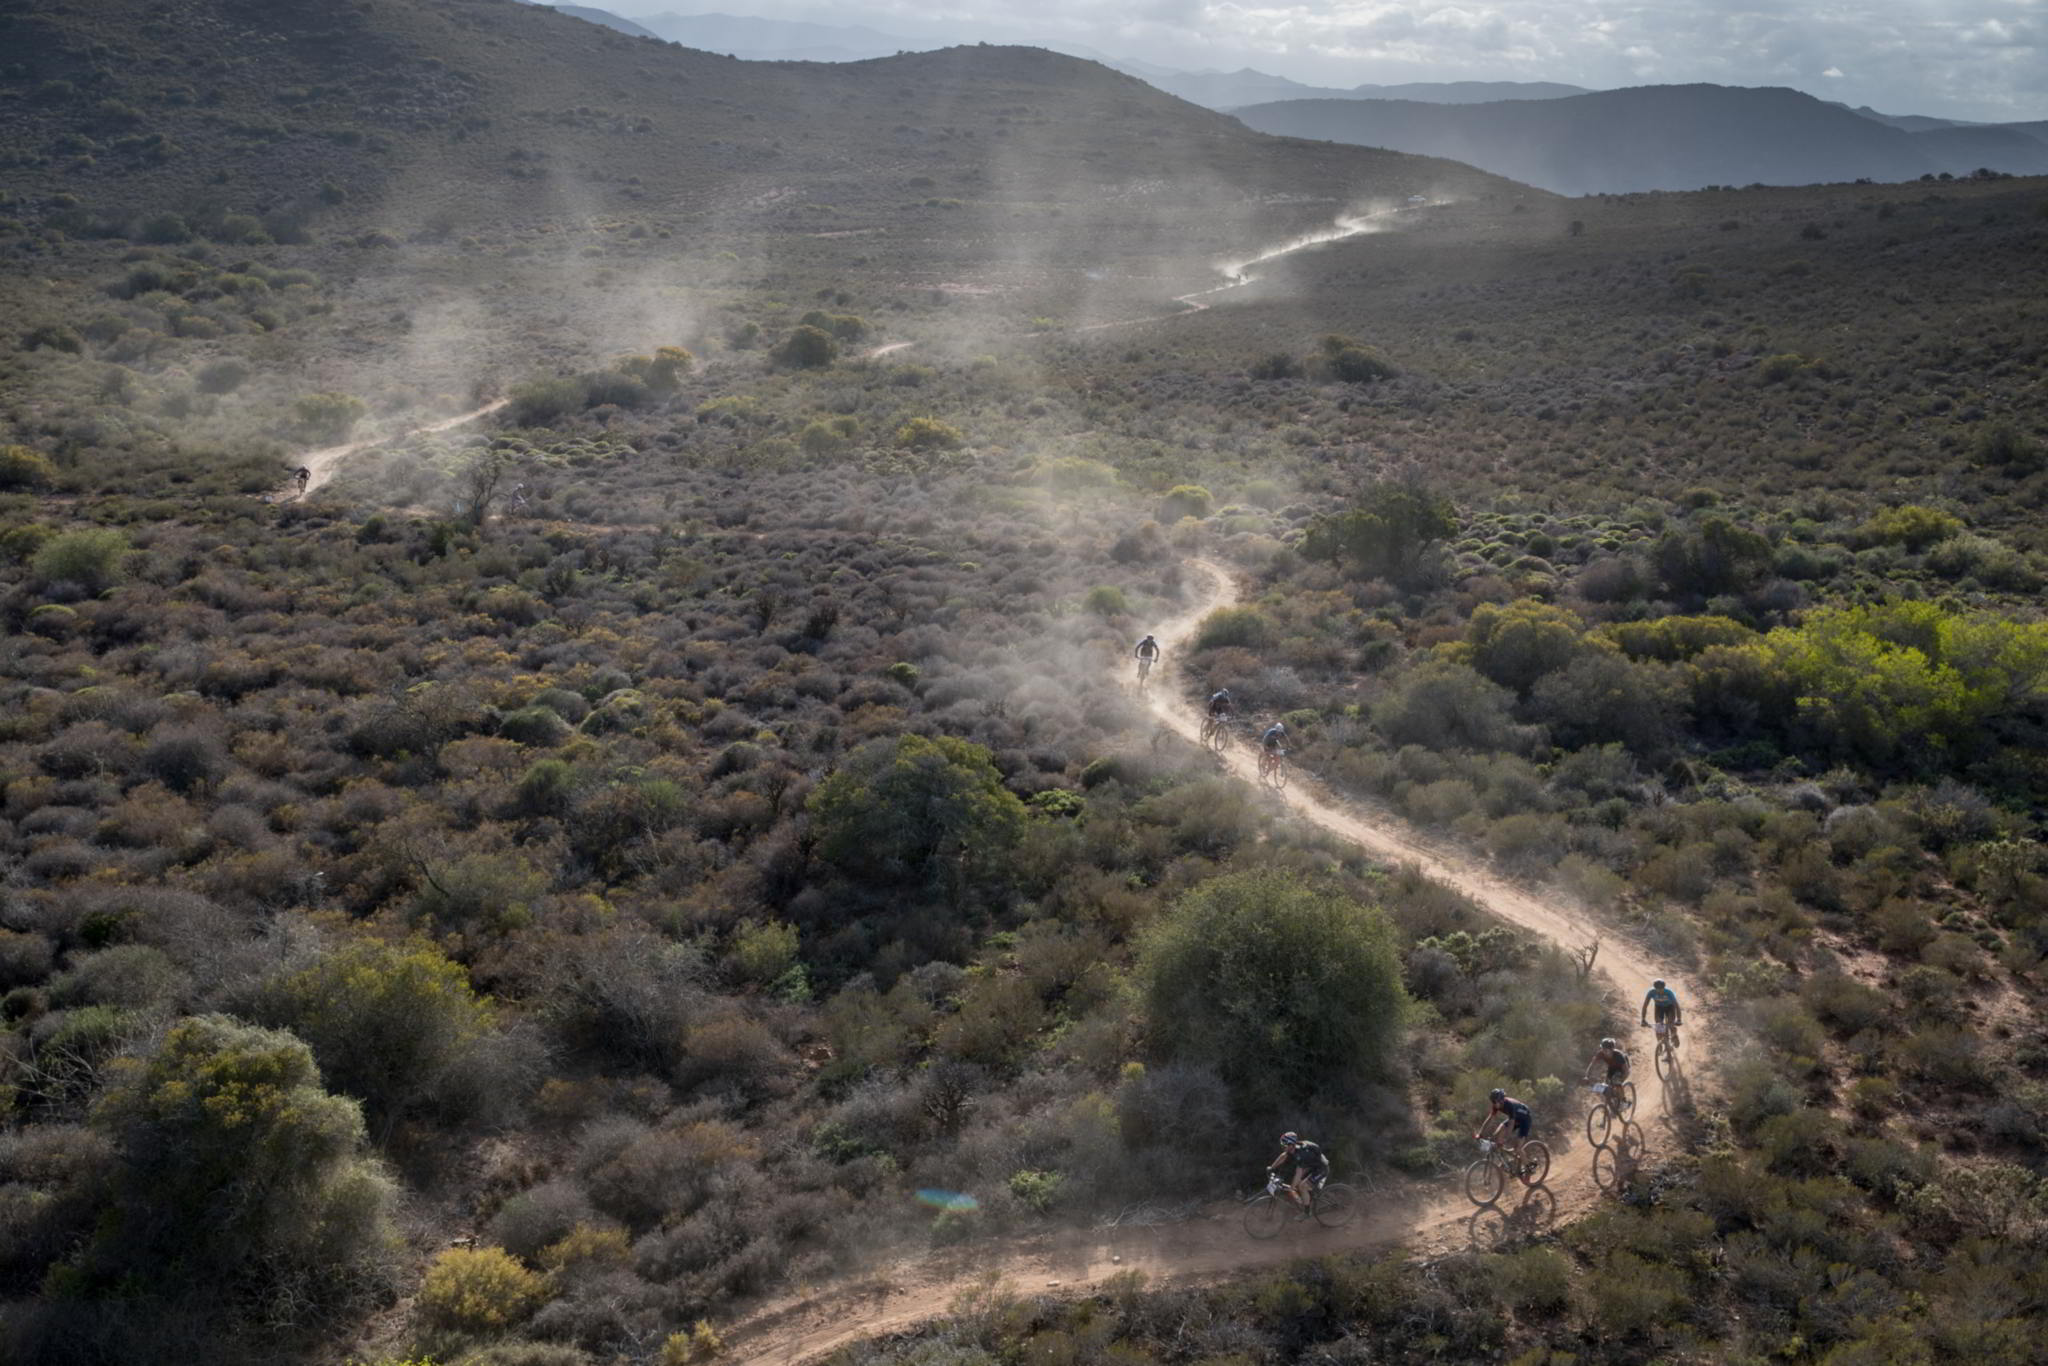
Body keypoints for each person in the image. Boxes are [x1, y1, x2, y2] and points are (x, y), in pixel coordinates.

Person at [1266, 1131, 1329, 1209]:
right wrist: (1272, 1167)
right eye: (1283, 1144)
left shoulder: (1301, 1154)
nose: (1283, 1146)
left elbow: (1298, 1173)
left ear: (1291, 1144)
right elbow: (1283, 1156)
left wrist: (1291, 1188)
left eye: (1285, 1144)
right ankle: (1307, 1197)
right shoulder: (1292, 1149)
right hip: (1311, 1166)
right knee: (1298, 1184)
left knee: (1302, 1186)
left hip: (1320, 1168)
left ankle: (1307, 1211)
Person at [1476, 1088, 1533, 1165]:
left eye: (1496, 1101)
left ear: (1501, 1100)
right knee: (1496, 1136)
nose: (1495, 1104)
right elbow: (1490, 1119)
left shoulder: (1509, 1105)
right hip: (1515, 1118)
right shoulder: (1496, 1106)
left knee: (1517, 1148)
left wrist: (1505, 1139)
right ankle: (1507, 1161)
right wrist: (1480, 1134)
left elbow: (1511, 1124)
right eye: (1493, 1101)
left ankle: (1529, 1166)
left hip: (1525, 1119)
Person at [1584, 1037, 1630, 1106]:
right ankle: (1612, 1104)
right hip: (1612, 1069)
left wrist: (1621, 1081)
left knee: (1617, 1082)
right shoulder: (1600, 1054)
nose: (1604, 1051)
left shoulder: (1618, 1055)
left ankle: (1624, 1102)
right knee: (1606, 1086)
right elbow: (1592, 1065)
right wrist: (1586, 1076)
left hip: (1622, 1069)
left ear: (1612, 1049)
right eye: (1602, 1048)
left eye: (1606, 1049)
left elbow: (1626, 1070)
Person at [1641, 979, 1682, 1048]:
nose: (1660, 991)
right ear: (1655, 988)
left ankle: (1674, 1034)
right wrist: (1643, 1019)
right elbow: (1645, 1006)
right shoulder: (1651, 992)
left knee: (1670, 1023)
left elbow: (1677, 1006)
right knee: (1659, 1026)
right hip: (1659, 1008)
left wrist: (1679, 1019)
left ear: (1664, 988)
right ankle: (1659, 1045)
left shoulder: (1669, 993)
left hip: (1670, 1007)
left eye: (1661, 989)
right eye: (1657, 989)